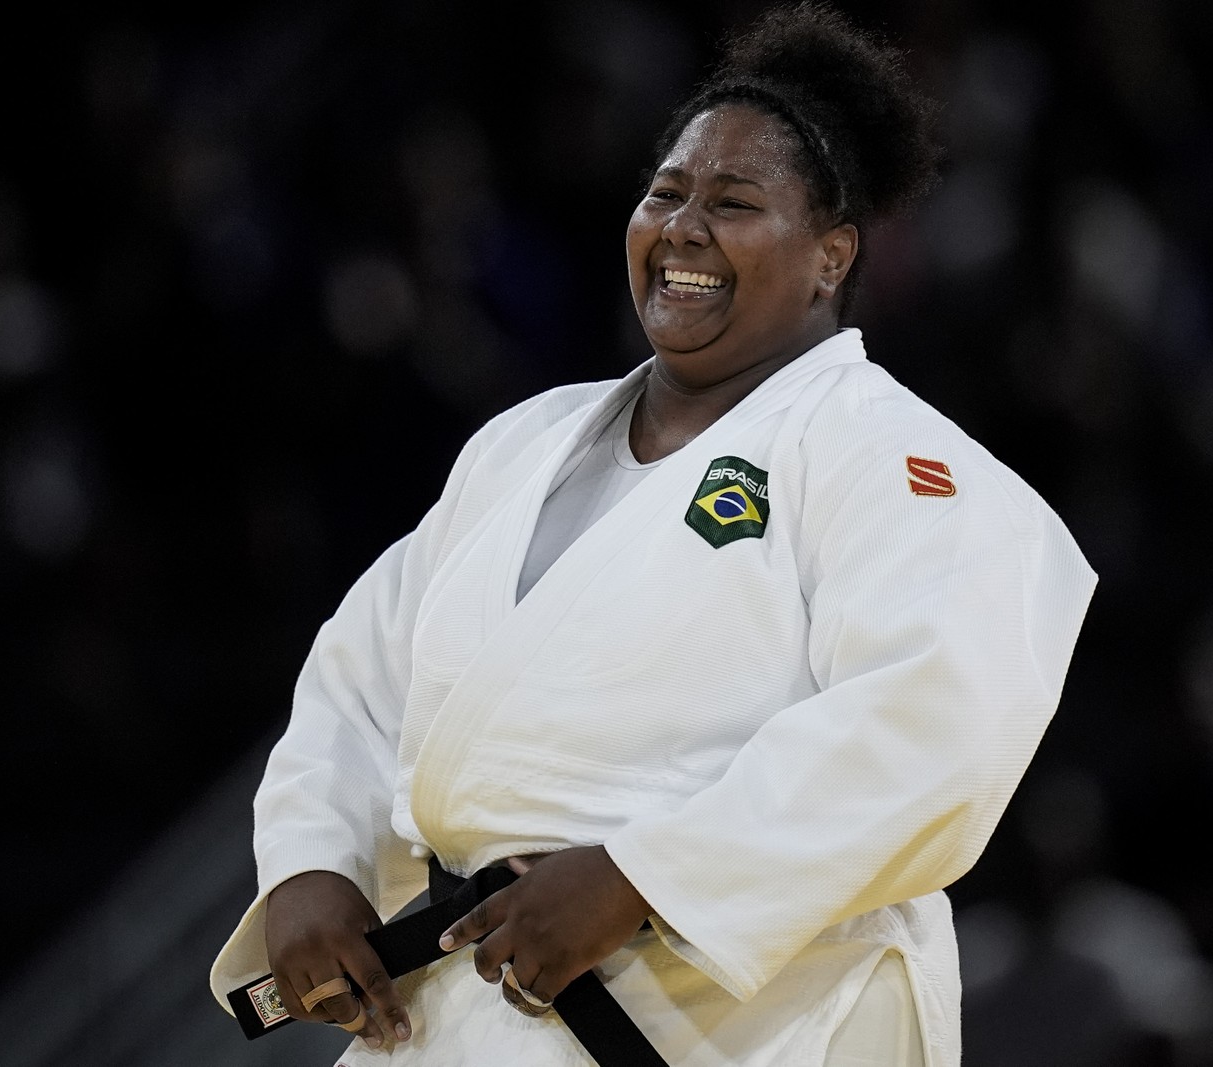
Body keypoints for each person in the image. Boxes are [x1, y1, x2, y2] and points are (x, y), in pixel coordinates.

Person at [208, 2, 1097, 1064]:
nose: (681, 226)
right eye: (664, 192)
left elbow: (939, 719)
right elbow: (361, 678)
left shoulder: (895, 459)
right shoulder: (522, 442)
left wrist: (648, 875)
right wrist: (313, 863)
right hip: (461, 1005)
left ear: (830, 256)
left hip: (747, 1012)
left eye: (732, 201)